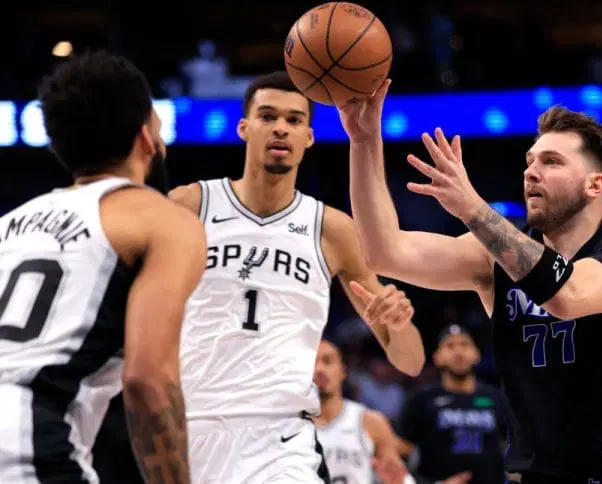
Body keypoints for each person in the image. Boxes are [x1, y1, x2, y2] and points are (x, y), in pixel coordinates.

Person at [339, 80, 602, 483]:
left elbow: (567, 294)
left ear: (595, 185)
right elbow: (385, 252)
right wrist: (364, 142)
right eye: (529, 161)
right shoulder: (492, 257)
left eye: (551, 162)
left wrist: (471, 207)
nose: (531, 172)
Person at [168, 71, 425, 483]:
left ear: (308, 136)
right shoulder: (189, 205)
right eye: (268, 117)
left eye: (294, 120)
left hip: (283, 436)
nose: (280, 129)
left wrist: (398, 322)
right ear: (244, 127)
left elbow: (409, 361)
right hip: (193, 422)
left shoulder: (332, 229)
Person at [0, 51, 206, 484]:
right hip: (28, 442)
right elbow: (149, 381)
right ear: (146, 137)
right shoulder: (162, 220)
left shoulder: (8, 225)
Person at [397, 325, 515, 484]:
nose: (458, 352)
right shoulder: (422, 400)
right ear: (437, 357)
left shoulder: (496, 398)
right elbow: (399, 451)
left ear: (477, 354)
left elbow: (519, 447)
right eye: (450, 346)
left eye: (465, 345)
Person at [314, 339, 412, 484]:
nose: (319, 369)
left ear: (343, 370)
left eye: (328, 361)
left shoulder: (371, 422)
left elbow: (399, 478)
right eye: (311, 363)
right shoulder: (289, 425)